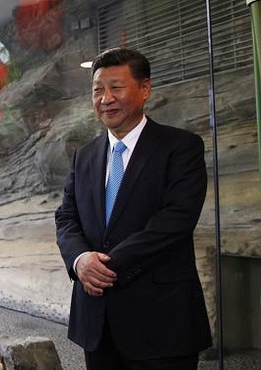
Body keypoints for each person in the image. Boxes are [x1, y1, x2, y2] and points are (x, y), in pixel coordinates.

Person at [55, 47, 212, 369]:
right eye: (98, 90)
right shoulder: (83, 156)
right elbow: (66, 217)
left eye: (117, 87)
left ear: (145, 89)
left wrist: (106, 266)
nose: (105, 98)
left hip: (162, 321)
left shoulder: (181, 148)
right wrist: (81, 260)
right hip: (96, 322)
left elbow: (176, 220)